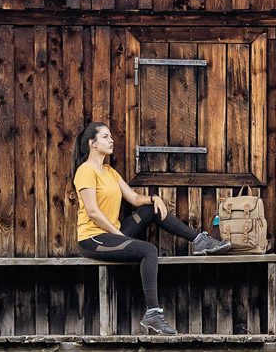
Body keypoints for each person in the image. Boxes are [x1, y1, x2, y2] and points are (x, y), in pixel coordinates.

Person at [72, 122, 229, 335]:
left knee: (150, 209)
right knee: (149, 250)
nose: (112, 140)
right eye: (106, 137)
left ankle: (200, 241)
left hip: (112, 234)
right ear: (92, 143)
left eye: (111, 136)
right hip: (94, 239)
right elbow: (93, 213)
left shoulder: (109, 171)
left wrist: (154, 198)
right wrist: (117, 234)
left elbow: (135, 199)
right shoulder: (85, 171)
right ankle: (153, 314)